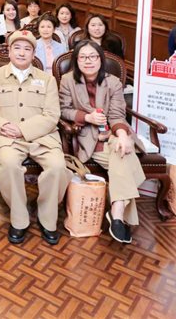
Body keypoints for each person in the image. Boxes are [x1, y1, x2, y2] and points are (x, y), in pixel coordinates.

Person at [0, 29, 69, 246]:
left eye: (27, 49)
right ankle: (19, 217)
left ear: (33, 54)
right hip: (8, 137)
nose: (21, 53)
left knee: (58, 167)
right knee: (8, 165)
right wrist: (2, 125)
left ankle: (47, 218)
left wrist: (23, 130)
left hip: (43, 138)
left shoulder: (47, 80)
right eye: (17, 48)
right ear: (9, 51)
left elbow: (52, 115)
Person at [59, 40, 145, 244]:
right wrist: (86, 117)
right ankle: (118, 214)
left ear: (100, 59)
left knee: (121, 149)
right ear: (76, 61)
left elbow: (116, 115)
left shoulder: (113, 82)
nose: (88, 61)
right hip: (88, 138)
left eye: (93, 56)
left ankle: (117, 213)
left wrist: (122, 135)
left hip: (113, 135)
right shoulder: (67, 80)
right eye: (83, 57)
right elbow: (63, 110)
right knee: (125, 158)